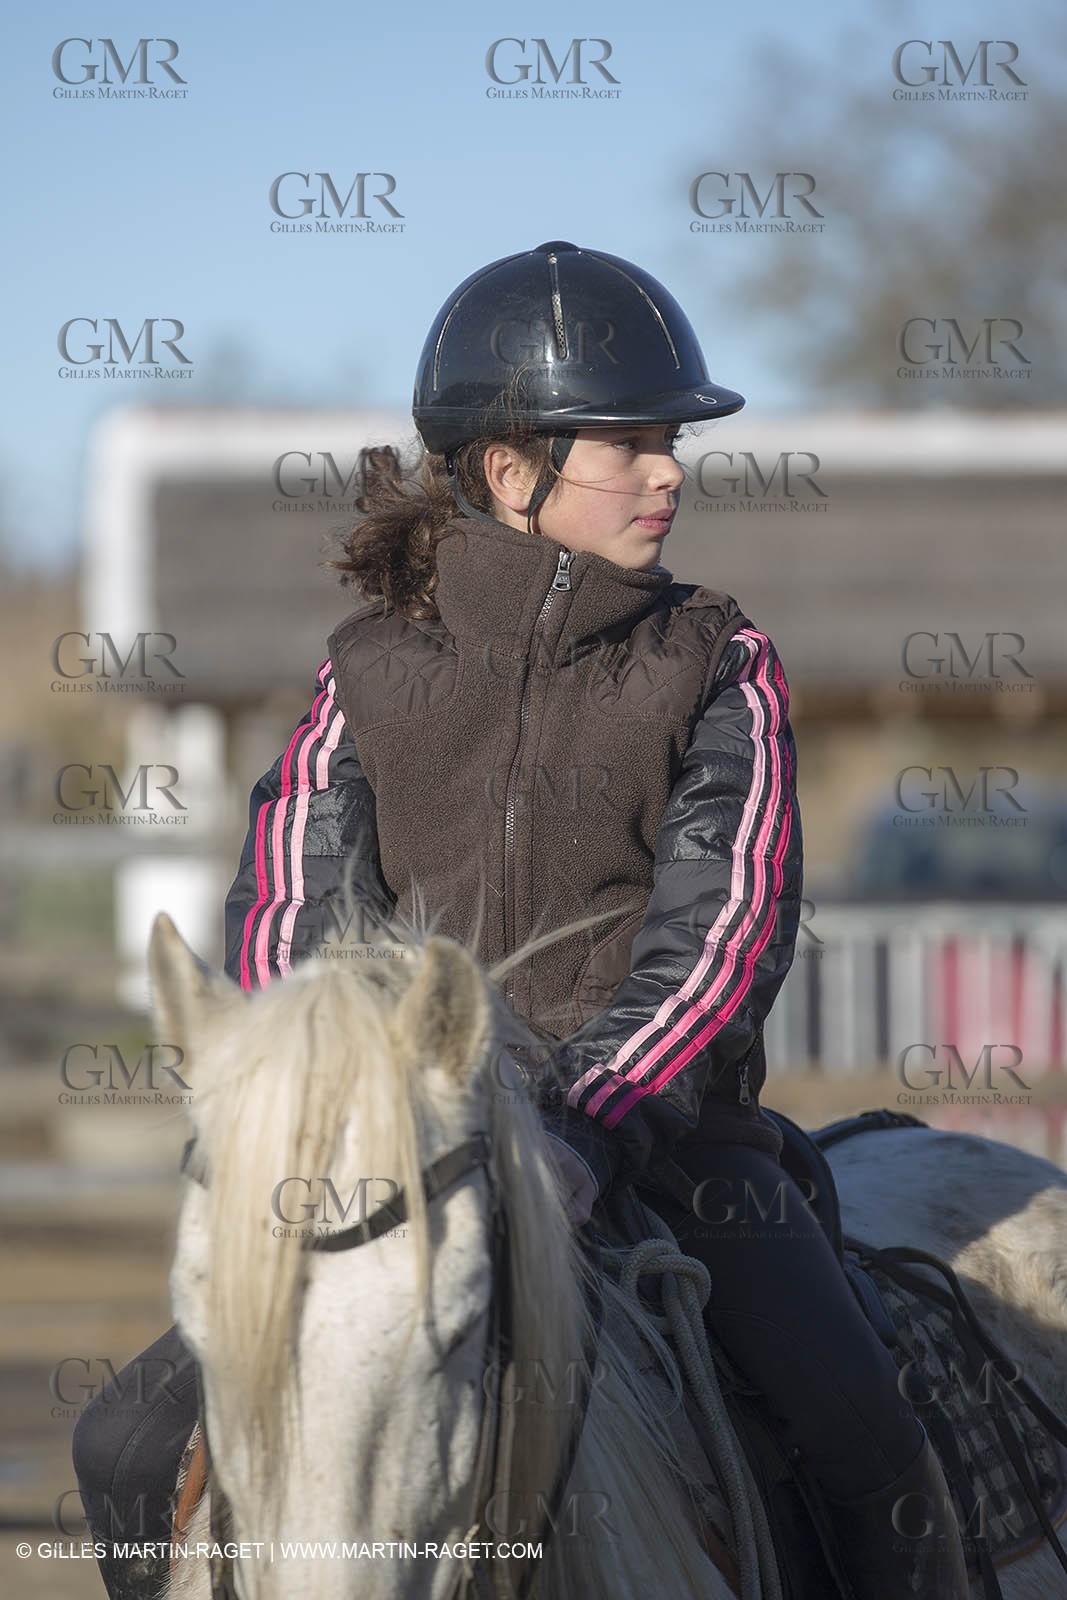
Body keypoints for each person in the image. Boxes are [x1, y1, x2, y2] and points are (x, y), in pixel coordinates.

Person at [75, 241, 968, 1599]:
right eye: (634, 444)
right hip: (396, 1167)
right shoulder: (360, 671)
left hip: (670, 1156)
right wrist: (318, 1103)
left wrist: (583, 1123)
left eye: (672, 441)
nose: (671, 471)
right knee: (126, 1442)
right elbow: (287, 915)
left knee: (874, 1454)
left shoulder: (722, 662)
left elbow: (724, 933)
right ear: (511, 471)